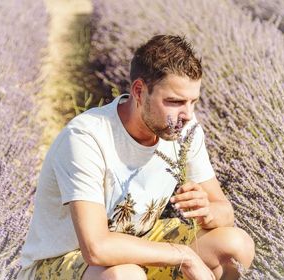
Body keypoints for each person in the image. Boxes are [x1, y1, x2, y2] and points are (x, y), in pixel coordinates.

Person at [18, 34, 255, 280]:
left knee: (236, 246)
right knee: (126, 276)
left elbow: (225, 212)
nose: (186, 114)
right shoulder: (86, 137)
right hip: (65, 260)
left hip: (140, 243)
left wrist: (208, 212)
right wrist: (182, 254)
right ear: (139, 91)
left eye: (193, 102)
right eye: (174, 101)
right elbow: (96, 248)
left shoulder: (185, 128)